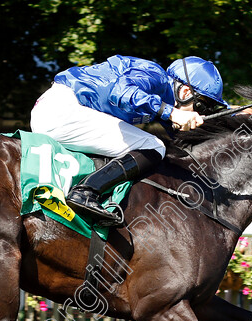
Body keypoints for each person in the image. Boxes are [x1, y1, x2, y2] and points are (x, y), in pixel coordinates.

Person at [31, 55, 228, 225]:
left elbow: (186, 143)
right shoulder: (155, 75)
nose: (203, 113)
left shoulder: (162, 98)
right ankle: (85, 192)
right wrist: (171, 112)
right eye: (203, 106)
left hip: (59, 112)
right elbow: (121, 92)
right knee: (154, 146)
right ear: (185, 92)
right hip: (60, 111)